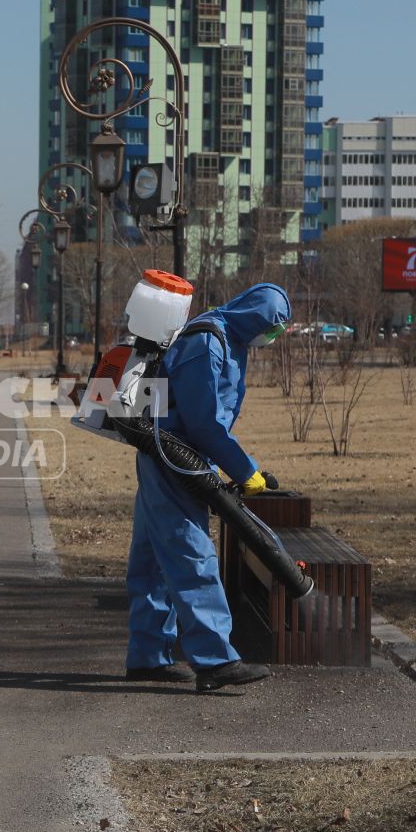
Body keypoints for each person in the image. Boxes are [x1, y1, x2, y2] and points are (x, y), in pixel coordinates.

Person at [125, 282, 290, 693]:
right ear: (256, 315)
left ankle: (147, 657)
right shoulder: (208, 343)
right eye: (273, 327)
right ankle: (215, 660)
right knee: (190, 551)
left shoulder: (228, 339)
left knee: (151, 559)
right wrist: (245, 469)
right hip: (174, 458)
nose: (272, 336)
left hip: (167, 455)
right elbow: (204, 422)